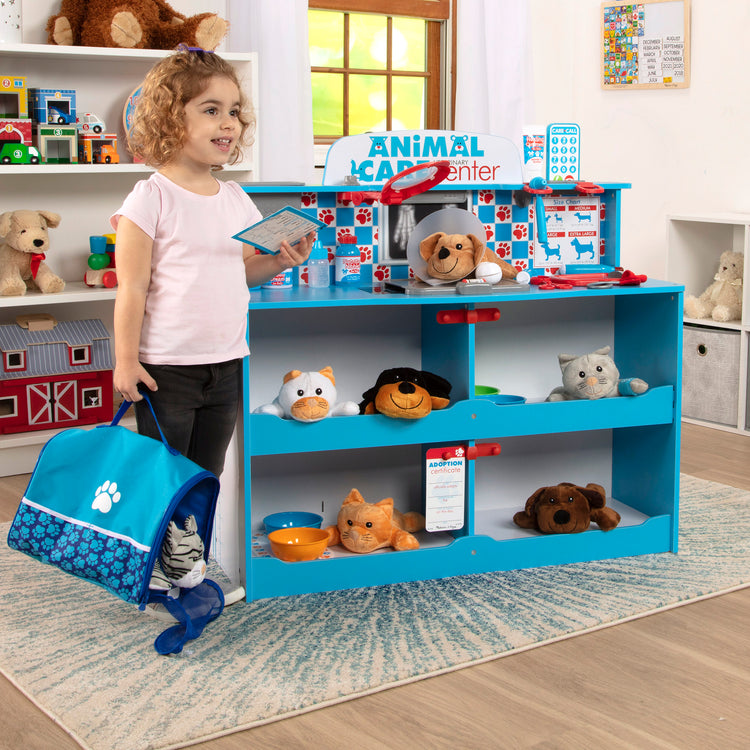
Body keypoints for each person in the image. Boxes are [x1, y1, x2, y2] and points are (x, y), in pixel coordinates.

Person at [111, 46, 313, 479]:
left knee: (207, 475)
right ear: (171, 119)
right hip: (165, 368)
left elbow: (243, 271)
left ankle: (190, 546)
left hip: (227, 362)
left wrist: (279, 261)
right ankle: (160, 546)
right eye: (211, 110)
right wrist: (126, 361)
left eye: (235, 112)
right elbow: (131, 288)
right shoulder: (151, 196)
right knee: (163, 475)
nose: (228, 123)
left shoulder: (236, 198)